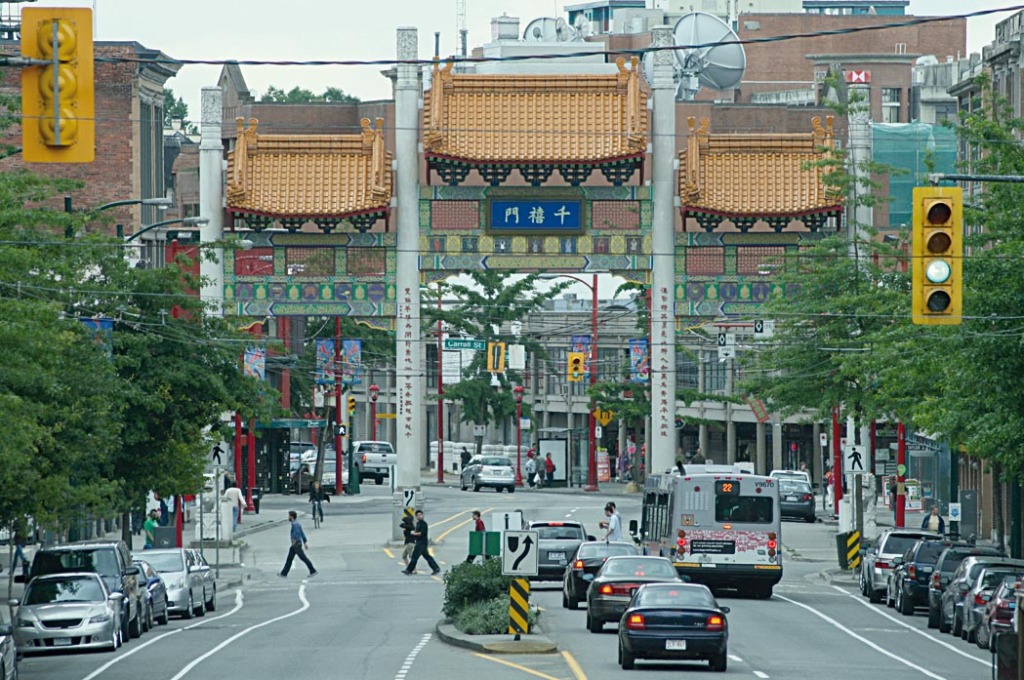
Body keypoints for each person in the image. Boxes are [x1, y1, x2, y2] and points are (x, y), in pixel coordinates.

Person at [279, 510, 317, 577]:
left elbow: (296, 534)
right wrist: (305, 542)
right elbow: (302, 533)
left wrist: (294, 541)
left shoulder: (295, 524)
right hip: (296, 544)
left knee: (303, 558)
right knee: (289, 559)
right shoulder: (297, 523)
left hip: (296, 545)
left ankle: (313, 570)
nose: (288, 518)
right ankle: (283, 573)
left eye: (289, 516)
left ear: (291, 517)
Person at [403, 509, 441, 576]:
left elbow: (421, 533)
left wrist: (413, 533)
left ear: (423, 515)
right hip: (420, 543)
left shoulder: (424, 524)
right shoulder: (418, 524)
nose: (419, 516)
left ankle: (408, 570)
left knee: (414, 557)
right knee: (427, 557)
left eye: (420, 515)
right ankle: (436, 568)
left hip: (421, 543)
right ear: (416, 517)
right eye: (418, 515)